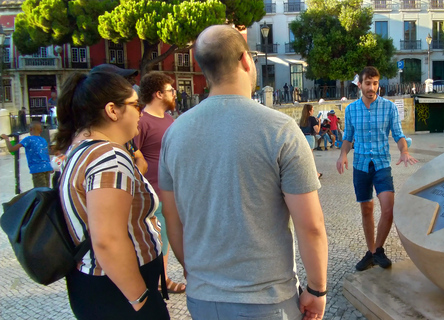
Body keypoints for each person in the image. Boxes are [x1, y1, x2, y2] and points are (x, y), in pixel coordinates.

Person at [159, 25, 328, 320]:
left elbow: (172, 218)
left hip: (202, 300)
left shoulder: (174, 134)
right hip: (267, 302)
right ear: (245, 60)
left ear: (205, 68)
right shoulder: (281, 131)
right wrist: (316, 291)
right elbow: (310, 225)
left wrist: (197, 275)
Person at [53, 71, 170, 319]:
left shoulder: (81, 149)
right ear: (112, 110)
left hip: (98, 284)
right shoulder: (109, 157)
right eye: (135, 105)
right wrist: (141, 300)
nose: (140, 112)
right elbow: (107, 240)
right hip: (118, 291)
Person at [336, 66, 418, 272]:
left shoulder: (389, 108)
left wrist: (404, 151)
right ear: (360, 84)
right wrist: (343, 154)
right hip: (361, 166)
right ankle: (371, 251)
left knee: (388, 208)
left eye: (375, 83)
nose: (371, 88)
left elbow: (398, 135)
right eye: (367, 83)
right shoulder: (351, 110)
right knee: (367, 209)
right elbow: (347, 137)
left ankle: (377, 250)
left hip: (382, 164)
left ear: (378, 84)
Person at [134, 71, 186, 294]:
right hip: (152, 194)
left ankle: (162, 278)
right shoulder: (141, 122)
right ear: (158, 94)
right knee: (159, 240)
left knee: (168, 237)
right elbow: (133, 154)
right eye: (170, 91)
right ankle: (160, 280)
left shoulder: (170, 120)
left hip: (171, 192)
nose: (174, 94)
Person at [2, 122, 53, 188]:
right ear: (41, 130)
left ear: (30, 129)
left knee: (40, 191)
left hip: (37, 169)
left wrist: (6, 139)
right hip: (47, 167)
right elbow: (46, 153)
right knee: (46, 189)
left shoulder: (28, 139)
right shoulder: (43, 140)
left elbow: (11, 149)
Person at [300, 104, 322, 179]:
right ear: (309, 111)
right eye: (312, 110)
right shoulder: (312, 119)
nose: (313, 111)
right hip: (310, 137)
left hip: (303, 138)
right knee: (310, 157)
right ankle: (314, 174)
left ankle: (315, 173)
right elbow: (317, 130)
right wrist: (318, 121)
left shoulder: (302, 119)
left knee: (307, 157)